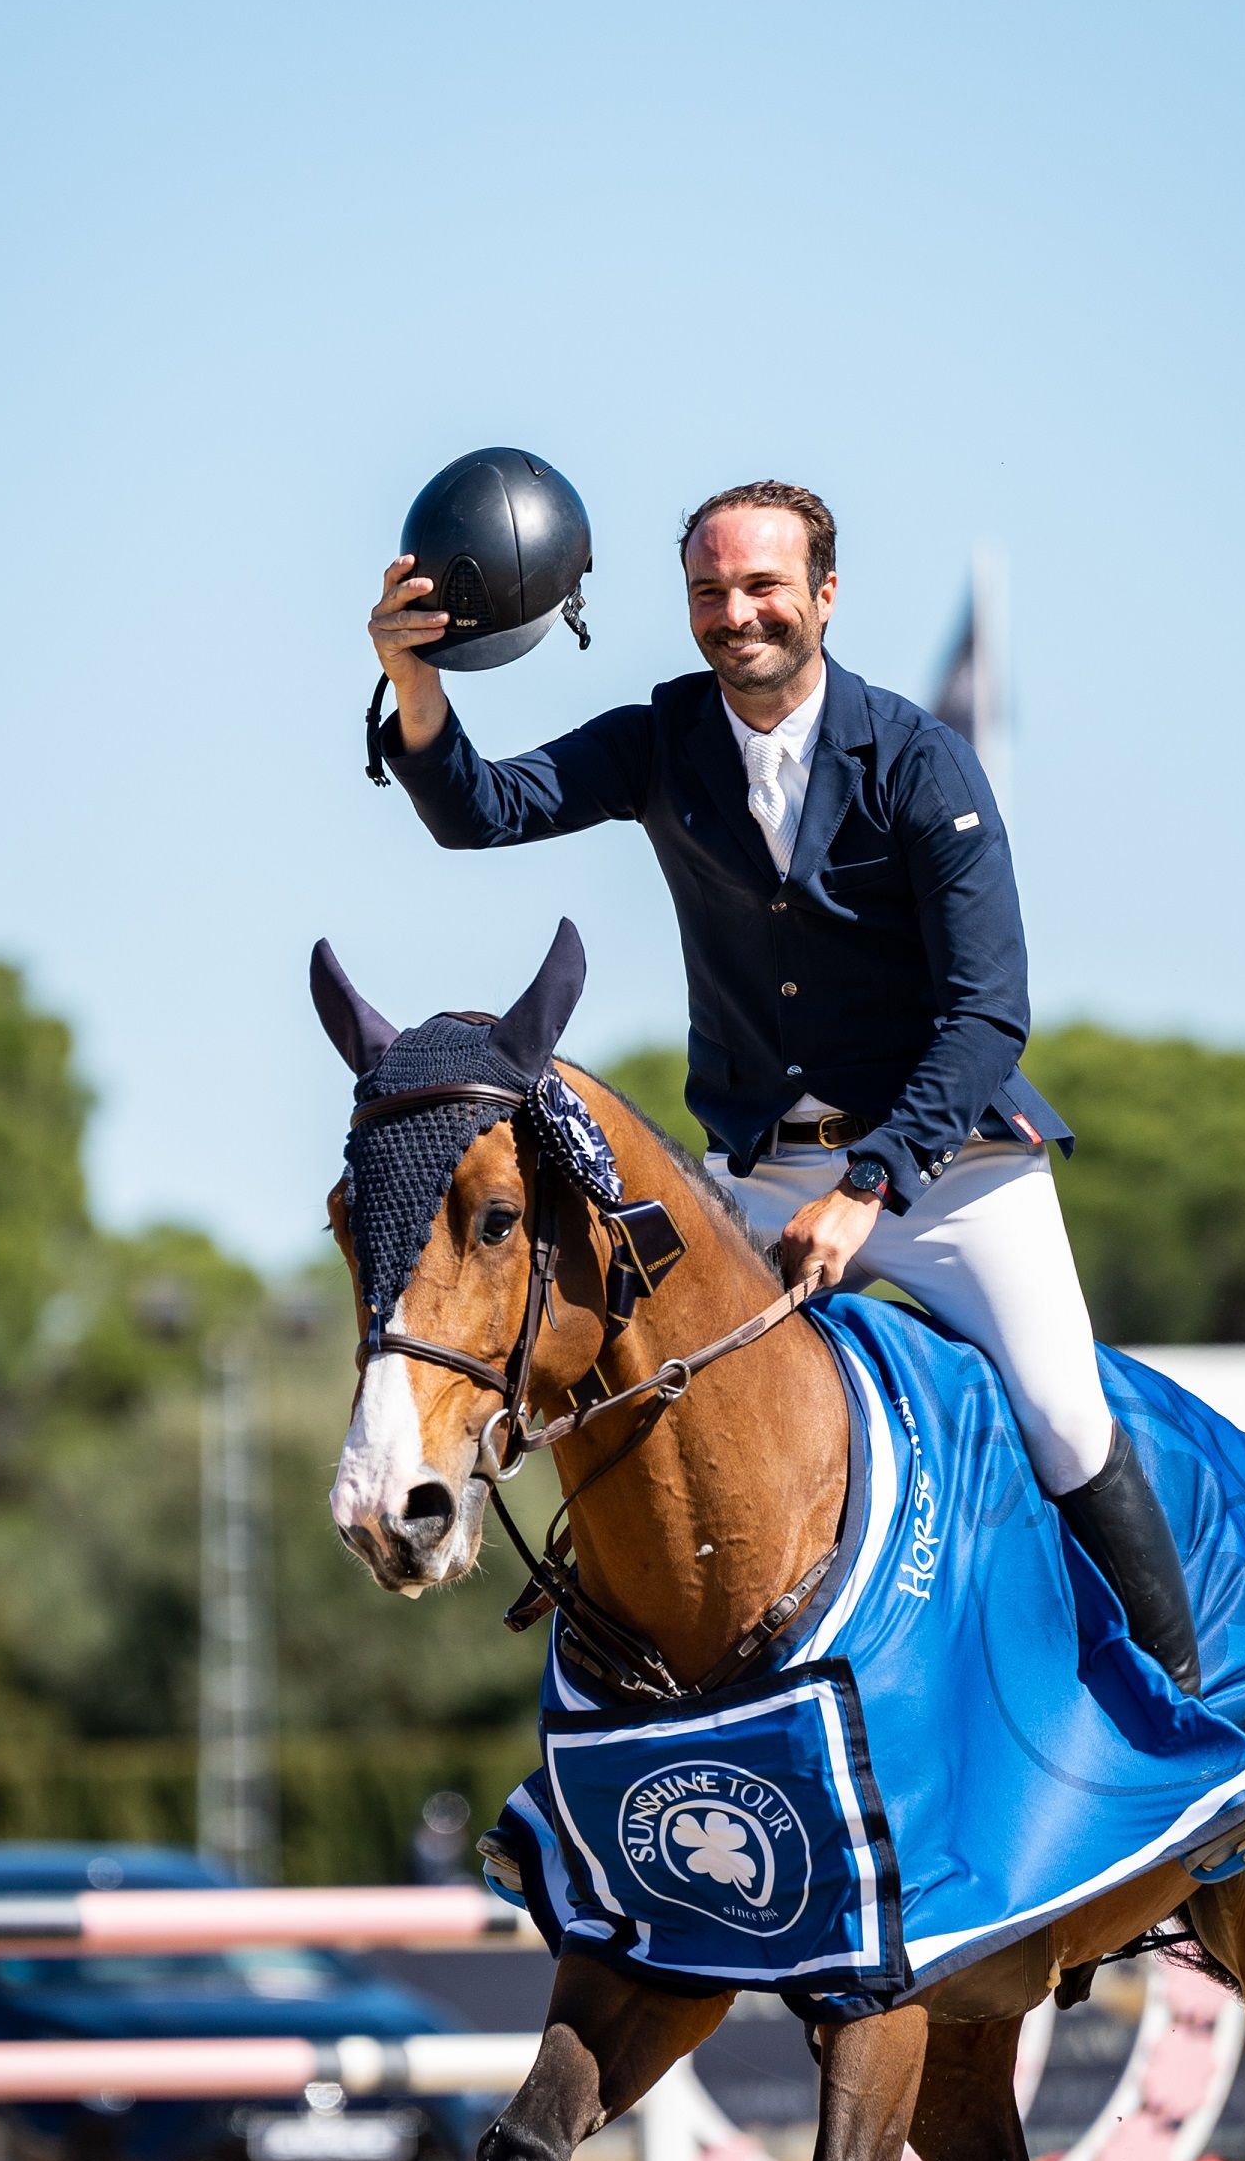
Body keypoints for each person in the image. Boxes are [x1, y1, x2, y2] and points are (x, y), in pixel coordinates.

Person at [366, 477, 1199, 1688]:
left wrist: (869, 1188)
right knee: (642, 1398)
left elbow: (985, 1015)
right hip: (759, 1172)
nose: (735, 612)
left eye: (762, 585)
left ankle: (1179, 1722)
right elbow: (480, 811)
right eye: (707, 591)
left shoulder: (920, 761)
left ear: (824, 594)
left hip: (946, 1169)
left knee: (1066, 1420)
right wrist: (414, 681)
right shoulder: (660, 738)